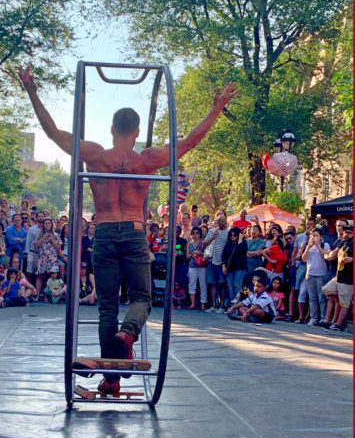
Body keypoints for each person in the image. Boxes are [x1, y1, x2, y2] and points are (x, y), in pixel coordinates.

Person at [19, 65, 237, 397]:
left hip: (104, 231)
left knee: (107, 305)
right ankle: (127, 335)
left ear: (112, 129)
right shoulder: (146, 159)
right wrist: (217, 107)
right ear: (136, 131)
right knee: (142, 299)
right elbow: (191, 141)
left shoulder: (95, 154)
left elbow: (53, 133)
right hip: (135, 232)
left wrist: (32, 91)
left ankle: (111, 376)